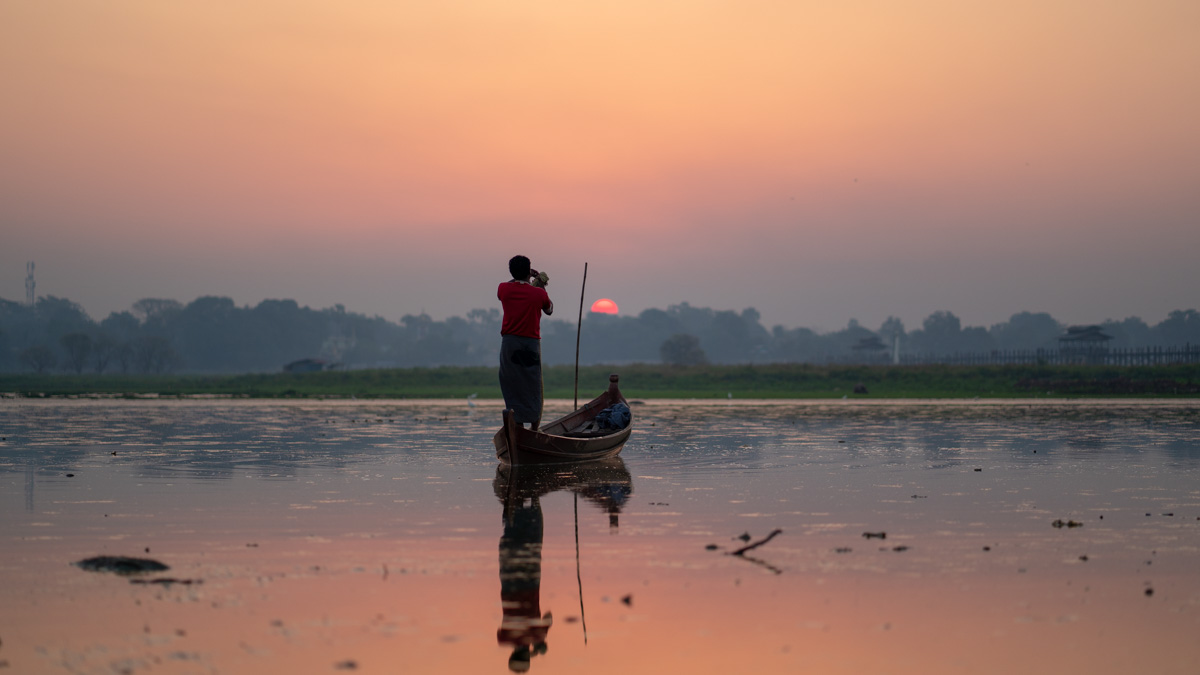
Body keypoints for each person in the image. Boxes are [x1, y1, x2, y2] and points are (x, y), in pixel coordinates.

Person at [498, 255, 553, 428]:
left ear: (511, 272)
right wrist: (540, 284)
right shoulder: (538, 293)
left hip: (510, 344)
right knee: (532, 385)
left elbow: (510, 285)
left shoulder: (503, 289)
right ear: (528, 271)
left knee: (512, 383)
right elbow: (549, 309)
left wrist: (524, 277)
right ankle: (534, 429)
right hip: (530, 345)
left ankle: (518, 427)